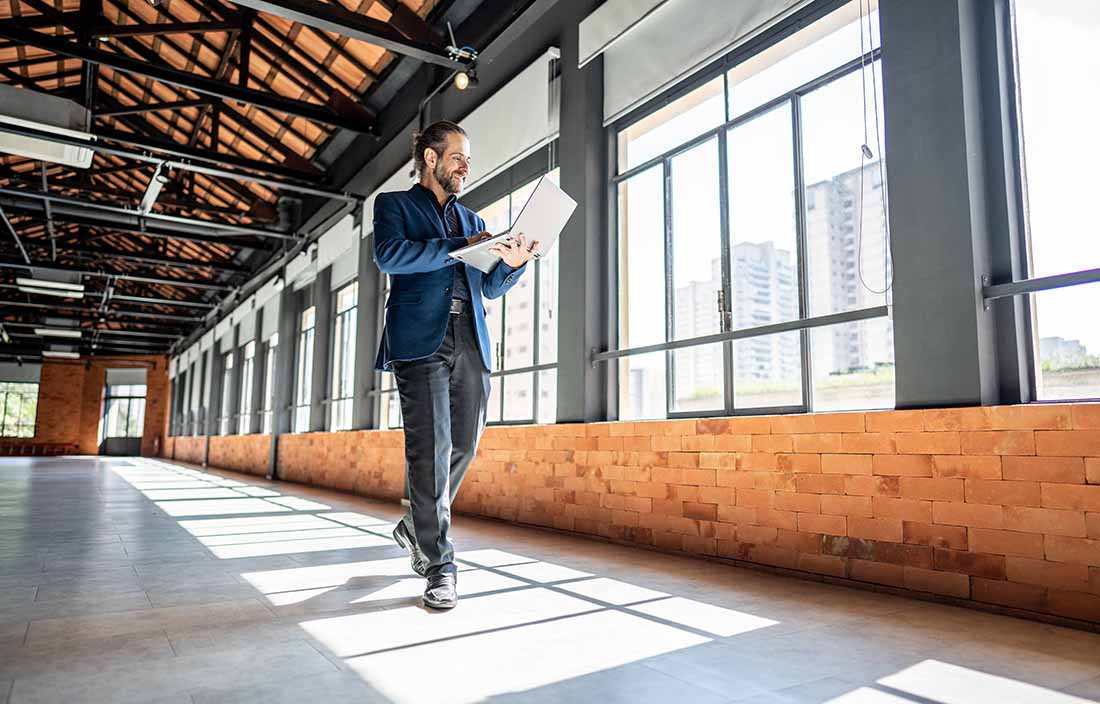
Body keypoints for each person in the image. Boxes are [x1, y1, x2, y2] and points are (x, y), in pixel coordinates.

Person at [373, 120, 539, 610]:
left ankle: (415, 526)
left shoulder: (473, 220)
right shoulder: (394, 206)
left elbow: (487, 286)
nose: (466, 165)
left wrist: (513, 260)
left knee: (463, 443)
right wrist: (457, 250)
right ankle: (440, 565)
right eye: (457, 156)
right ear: (430, 157)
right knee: (431, 450)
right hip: (419, 342)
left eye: (469, 158)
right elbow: (390, 256)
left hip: (470, 339)